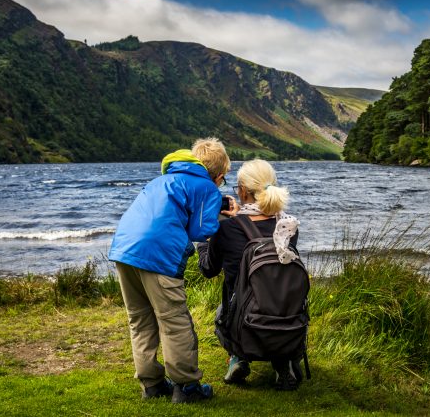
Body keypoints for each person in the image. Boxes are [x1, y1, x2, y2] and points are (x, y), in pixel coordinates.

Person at [108, 138, 234, 404]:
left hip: (124, 250)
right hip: (159, 256)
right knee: (175, 322)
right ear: (219, 176)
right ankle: (187, 387)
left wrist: (213, 205)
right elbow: (202, 231)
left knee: (140, 320)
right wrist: (224, 215)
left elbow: (174, 210)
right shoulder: (207, 188)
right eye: (222, 180)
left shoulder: (162, 181)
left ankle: (151, 384)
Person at [197, 158, 303, 390]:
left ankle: (238, 357)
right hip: (286, 315)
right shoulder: (288, 226)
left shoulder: (227, 227)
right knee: (273, 301)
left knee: (220, 314)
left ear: (243, 191)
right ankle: (283, 362)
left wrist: (205, 241)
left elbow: (208, 269)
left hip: (244, 320)